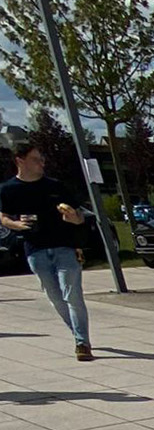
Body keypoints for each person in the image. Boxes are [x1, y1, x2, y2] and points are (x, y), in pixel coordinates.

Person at [0, 140, 92, 359]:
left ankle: (82, 342)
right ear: (20, 161)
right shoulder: (7, 189)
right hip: (35, 249)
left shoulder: (55, 186)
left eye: (42, 159)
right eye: (35, 159)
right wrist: (16, 225)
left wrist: (74, 218)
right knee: (55, 296)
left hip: (64, 246)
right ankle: (77, 332)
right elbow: (3, 217)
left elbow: (79, 216)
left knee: (72, 295)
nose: (41, 163)